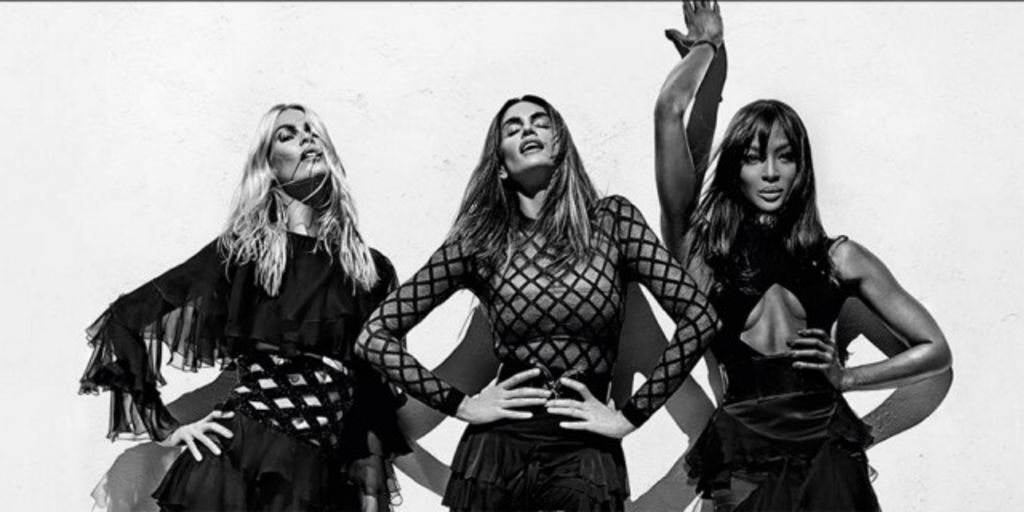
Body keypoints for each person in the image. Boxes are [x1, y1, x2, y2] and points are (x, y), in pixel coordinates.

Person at [651, 2, 953, 510]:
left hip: (827, 457)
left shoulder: (840, 258)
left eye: (785, 156)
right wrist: (707, 49)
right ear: (735, 169)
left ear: (801, 167)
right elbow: (668, 112)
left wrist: (848, 378)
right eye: (754, 158)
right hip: (742, 457)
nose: (771, 172)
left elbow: (936, 351)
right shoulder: (701, 255)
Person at [355, 94, 720, 511]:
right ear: (501, 164)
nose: (527, 129)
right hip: (497, 454)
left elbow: (701, 317)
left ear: (560, 144)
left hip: (585, 451)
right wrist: (462, 405)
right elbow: (374, 336)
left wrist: (630, 416)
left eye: (540, 122)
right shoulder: (481, 240)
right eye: (512, 128)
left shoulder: (613, 221)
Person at [79, 104, 410, 512]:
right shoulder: (244, 253)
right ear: (268, 167)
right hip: (237, 466)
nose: (306, 138)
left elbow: (371, 396)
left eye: (312, 131)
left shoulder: (369, 269)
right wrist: (167, 429)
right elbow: (125, 319)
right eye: (287, 135)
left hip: (320, 478)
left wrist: (371, 492)